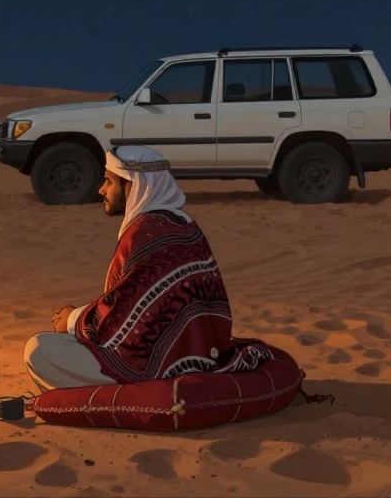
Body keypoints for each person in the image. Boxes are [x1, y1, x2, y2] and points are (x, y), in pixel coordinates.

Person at [24, 145, 271, 391]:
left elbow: (122, 318)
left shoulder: (146, 233)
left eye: (109, 182)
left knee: (40, 350)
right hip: (203, 351)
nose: (101, 190)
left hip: (153, 363)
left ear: (132, 186)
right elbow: (136, 302)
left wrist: (73, 319)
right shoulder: (183, 223)